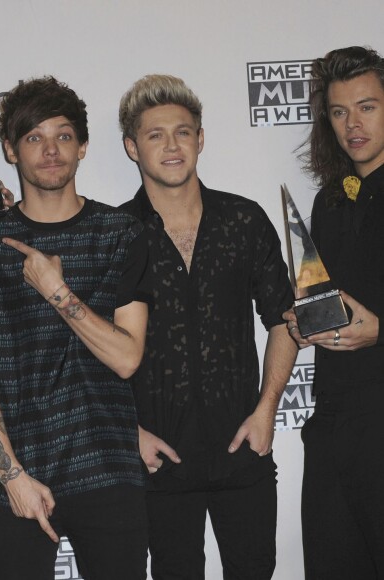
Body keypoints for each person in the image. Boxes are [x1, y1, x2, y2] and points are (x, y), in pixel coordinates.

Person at [0, 76, 151, 580]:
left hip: (107, 468)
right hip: (16, 475)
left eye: (63, 136)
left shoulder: (120, 234)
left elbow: (127, 357)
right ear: (10, 151)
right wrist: (12, 476)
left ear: (83, 147)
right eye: (34, 137)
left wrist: (57, 291)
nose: (50, 150)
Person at [119, 75, 298, 580]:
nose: (172, 146)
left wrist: (267, 411)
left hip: (244, 451)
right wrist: (129, 432)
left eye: (183, 132)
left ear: (201, 138)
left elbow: (284, 318)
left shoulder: (243, 220)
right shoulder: (116, 234)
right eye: (155, 135)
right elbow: (92, 346)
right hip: (158, 462)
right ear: (132, 146)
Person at [284, 46, 384, 580]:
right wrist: (307, 320)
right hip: (333, 425)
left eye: (367, 107)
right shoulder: (329, 200)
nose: (353, 125)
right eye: (340, 112)